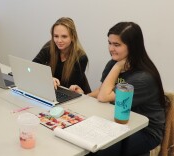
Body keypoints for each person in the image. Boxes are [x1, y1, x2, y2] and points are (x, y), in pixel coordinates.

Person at [74, 22, 169, 155]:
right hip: (119, 121)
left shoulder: (142, 78)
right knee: (80, 140)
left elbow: (103, 97)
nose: (111, 48)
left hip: (145, 131)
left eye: (117, 45)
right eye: (109, 43)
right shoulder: (114, 62)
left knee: (98, 150)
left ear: (133, 47)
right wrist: (82, 97)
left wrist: (118, 67)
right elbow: (102, 90)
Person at [33, 17, 91, 94]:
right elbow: (33, 67)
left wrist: (47, 80)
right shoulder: (49, 47)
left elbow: (68, 88)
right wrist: (47, 78)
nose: (59, 41)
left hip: (74, 96)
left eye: (64, 36)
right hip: (54, 92)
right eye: (56, 36)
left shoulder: (81, 58)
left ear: (73, 37)